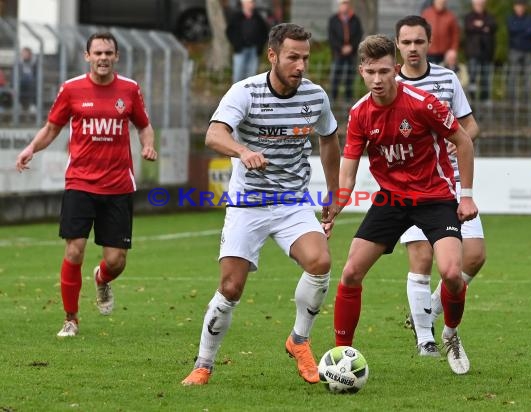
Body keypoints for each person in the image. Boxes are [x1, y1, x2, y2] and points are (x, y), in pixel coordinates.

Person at [181, 23, 341, 386]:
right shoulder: (245, 92)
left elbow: (330, 139)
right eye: (292, 58)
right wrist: (242, 150)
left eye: (305, 58)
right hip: (247, 202)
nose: (300, 66)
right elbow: (214, 134)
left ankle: (298, 341)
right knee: (231, 287)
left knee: (320, 261)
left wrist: (333, 191)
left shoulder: (315, 97)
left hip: (293, 202)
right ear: (273, 56)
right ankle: (203, 364)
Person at [332, 33, 478, 375]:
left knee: (453, 274)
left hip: (436, 197)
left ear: (395, 69)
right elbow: (348, 172)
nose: (378, 79)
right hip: (392, 200)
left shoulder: (423, 103)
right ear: (361, 72)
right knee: (351, 272)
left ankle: (451, 334)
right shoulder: (358, 114)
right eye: (371, 72)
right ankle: (341, 358)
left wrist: (466, 194)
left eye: (384, 71)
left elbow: (463, 140)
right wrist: (334, 207)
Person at [15, 32, 157, 338]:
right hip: (80, 182)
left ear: (116, 57)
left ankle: (102, 279)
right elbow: (52, 127)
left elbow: (144, 126)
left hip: (118, 185)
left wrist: (148, 145)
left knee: (116, 261)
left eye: (108, 53)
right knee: (74, 251)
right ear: (87, 56)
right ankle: (71, 319)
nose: (103, 57)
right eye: (98, 53)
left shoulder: (129, 89)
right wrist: (30, 149)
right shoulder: (72, 89)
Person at [394, 15, 485, 358]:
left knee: (474, 257)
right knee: (421, 257)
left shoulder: (447, 79)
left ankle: (430, 310)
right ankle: (425, 340)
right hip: (412, 185)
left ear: (429, 43)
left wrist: (455, 141)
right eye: (407, 42)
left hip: (452, 183)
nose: (413, 48)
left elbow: (470, 126)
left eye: (419, 41)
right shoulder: (389, 83)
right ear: (398, 45)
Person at [327, 0, 364, 107]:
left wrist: (351, 47)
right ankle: (333, 100)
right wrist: (340, 48)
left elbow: (358, 35)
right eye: (343, 3)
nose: (345, 6)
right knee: (335, 76)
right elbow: (331, 37)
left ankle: (348, 101)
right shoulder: (333, 20)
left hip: (351, 54)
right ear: (339, 6)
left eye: (347, 3)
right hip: (338, 54)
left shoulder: (355, 19)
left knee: (350, 77)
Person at [225, 0, 270, 84]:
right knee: (238, 76)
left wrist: (260, 46)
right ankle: (237, 96)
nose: (252, 4)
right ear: (243, 3)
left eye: (252, 2)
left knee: (251, 77)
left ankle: (249, 96)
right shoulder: (236, 17)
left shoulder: (258, 17)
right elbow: (229, 32)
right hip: (240, 51)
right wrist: (236, 43)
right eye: (250, 2)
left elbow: (265, 32)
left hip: (254, 51)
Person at [464, 0, 497, 104]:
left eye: (481, 3)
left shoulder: (489, 16)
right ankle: (472, 100)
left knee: (485, 78)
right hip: (473, 52)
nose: (479, 5)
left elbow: (493, 26)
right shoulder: (469, 17)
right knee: (472, 77)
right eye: (477, 4)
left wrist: (479, 25)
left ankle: (485, 99)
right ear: (473, 4)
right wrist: (484, 27)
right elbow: (469, 27)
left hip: (487, 52)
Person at [507, 0, 531, 102]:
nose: (520, 8)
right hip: (514, 50)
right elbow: (512, 29)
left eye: (522, 6)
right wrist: (524, 30)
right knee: (513, 76)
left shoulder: (530, 18)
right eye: (518, 6)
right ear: (515, 7)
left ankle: (527, 101)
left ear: (525, 7)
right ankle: (511, 100)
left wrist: (519, 30)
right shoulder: (510, 18)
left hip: (528, 50)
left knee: (528, 77)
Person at [19, 46, 37, 113]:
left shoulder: (35, 62)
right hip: (21, 81)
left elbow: (36, 74)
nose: (24, 55)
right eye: (23, 53)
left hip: (32, 81)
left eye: (26, 53)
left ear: (30, 54)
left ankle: (32, 104)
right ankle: (19, 104)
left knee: (33, 85)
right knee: (17, 85)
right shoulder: (19, 62)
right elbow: (15, 74)